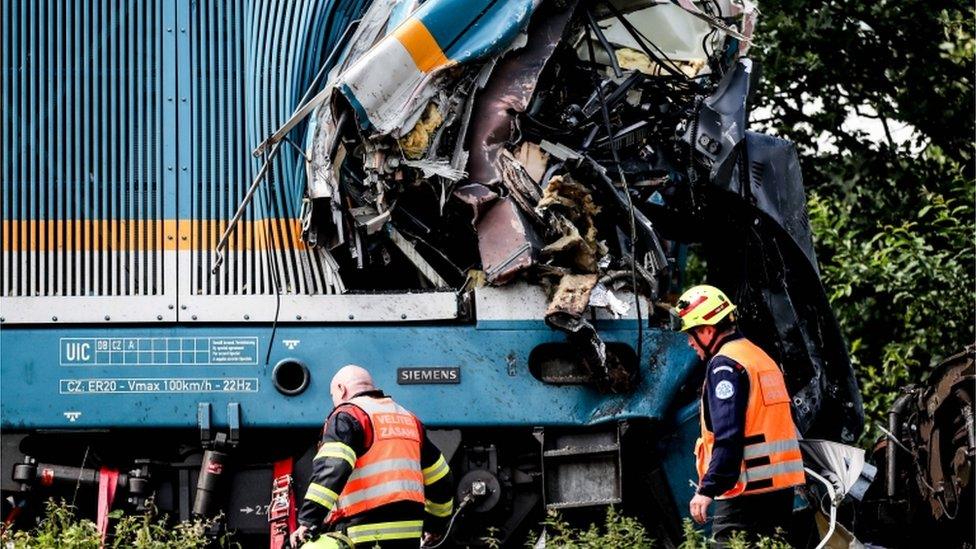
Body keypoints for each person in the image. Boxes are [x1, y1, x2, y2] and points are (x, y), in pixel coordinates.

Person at [673, 285, 805, 546]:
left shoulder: (725, 365)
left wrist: (707, 489)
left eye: (691, 333)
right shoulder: (759, 357)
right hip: (779, 491)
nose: (689, 342)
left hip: (746, 494)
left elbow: (729, 436)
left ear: (708, 330)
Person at [290, 365, 454, 548]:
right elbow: (441, 478)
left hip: (363, 533)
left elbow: (333, 468)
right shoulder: (409, 419)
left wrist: (308, 520)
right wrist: (435, 525)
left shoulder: (349, 415)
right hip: (409, 535)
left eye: (332, 397)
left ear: (341, 389)